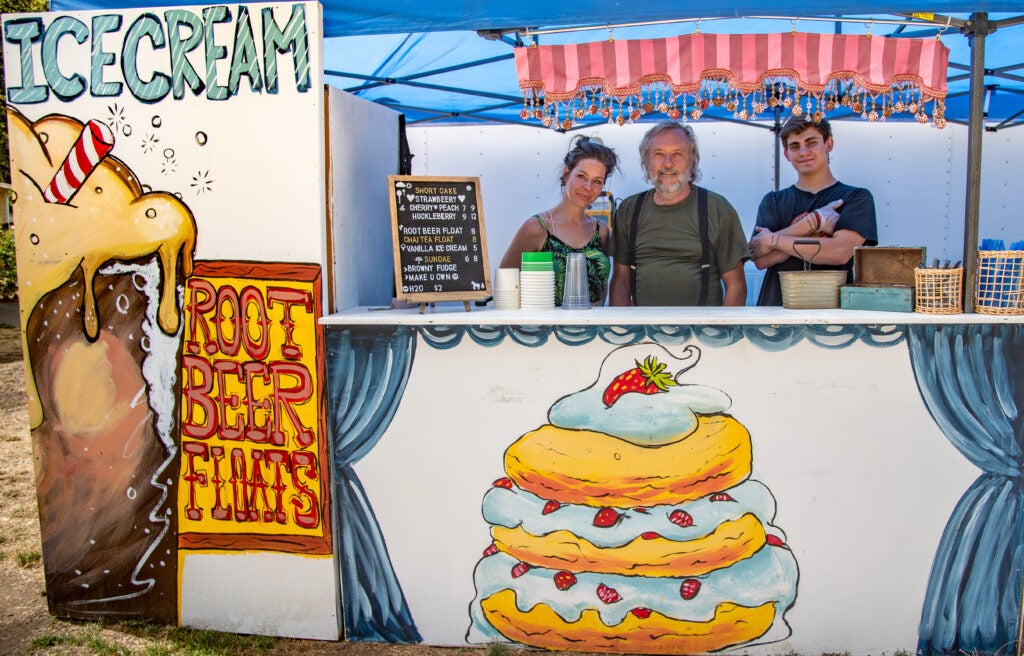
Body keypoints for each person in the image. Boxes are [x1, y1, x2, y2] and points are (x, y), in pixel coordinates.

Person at [609, 122, 749, 306]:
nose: (668, 163)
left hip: (702, 332)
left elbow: (736, 285)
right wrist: (624, 331)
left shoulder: (717, 209)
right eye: (658, 154)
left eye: (677, 154)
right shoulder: (629, 210)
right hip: (644, 332)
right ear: (646, 161)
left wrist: (721, 332)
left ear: (691, 161)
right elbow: (620, 281)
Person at [749, 115, 878, 306]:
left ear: (829, 144)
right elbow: (759, 257)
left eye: (811, 143)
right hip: (777, 311)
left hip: (832, 314)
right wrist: (815, 222)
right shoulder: (773, 201)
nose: (803, 152)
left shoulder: (855, 197)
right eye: (794, 146)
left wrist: (775, 241)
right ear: (786, 154)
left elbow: (840, 252)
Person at [500, 135, 619, 305]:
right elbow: (506, 287)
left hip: (592, 329)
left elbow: (601, 289)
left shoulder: (601, 231)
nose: (588, 187)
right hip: (543, 330)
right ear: (566, 174)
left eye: (597, 181)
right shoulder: (537, 228)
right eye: (581, 176)